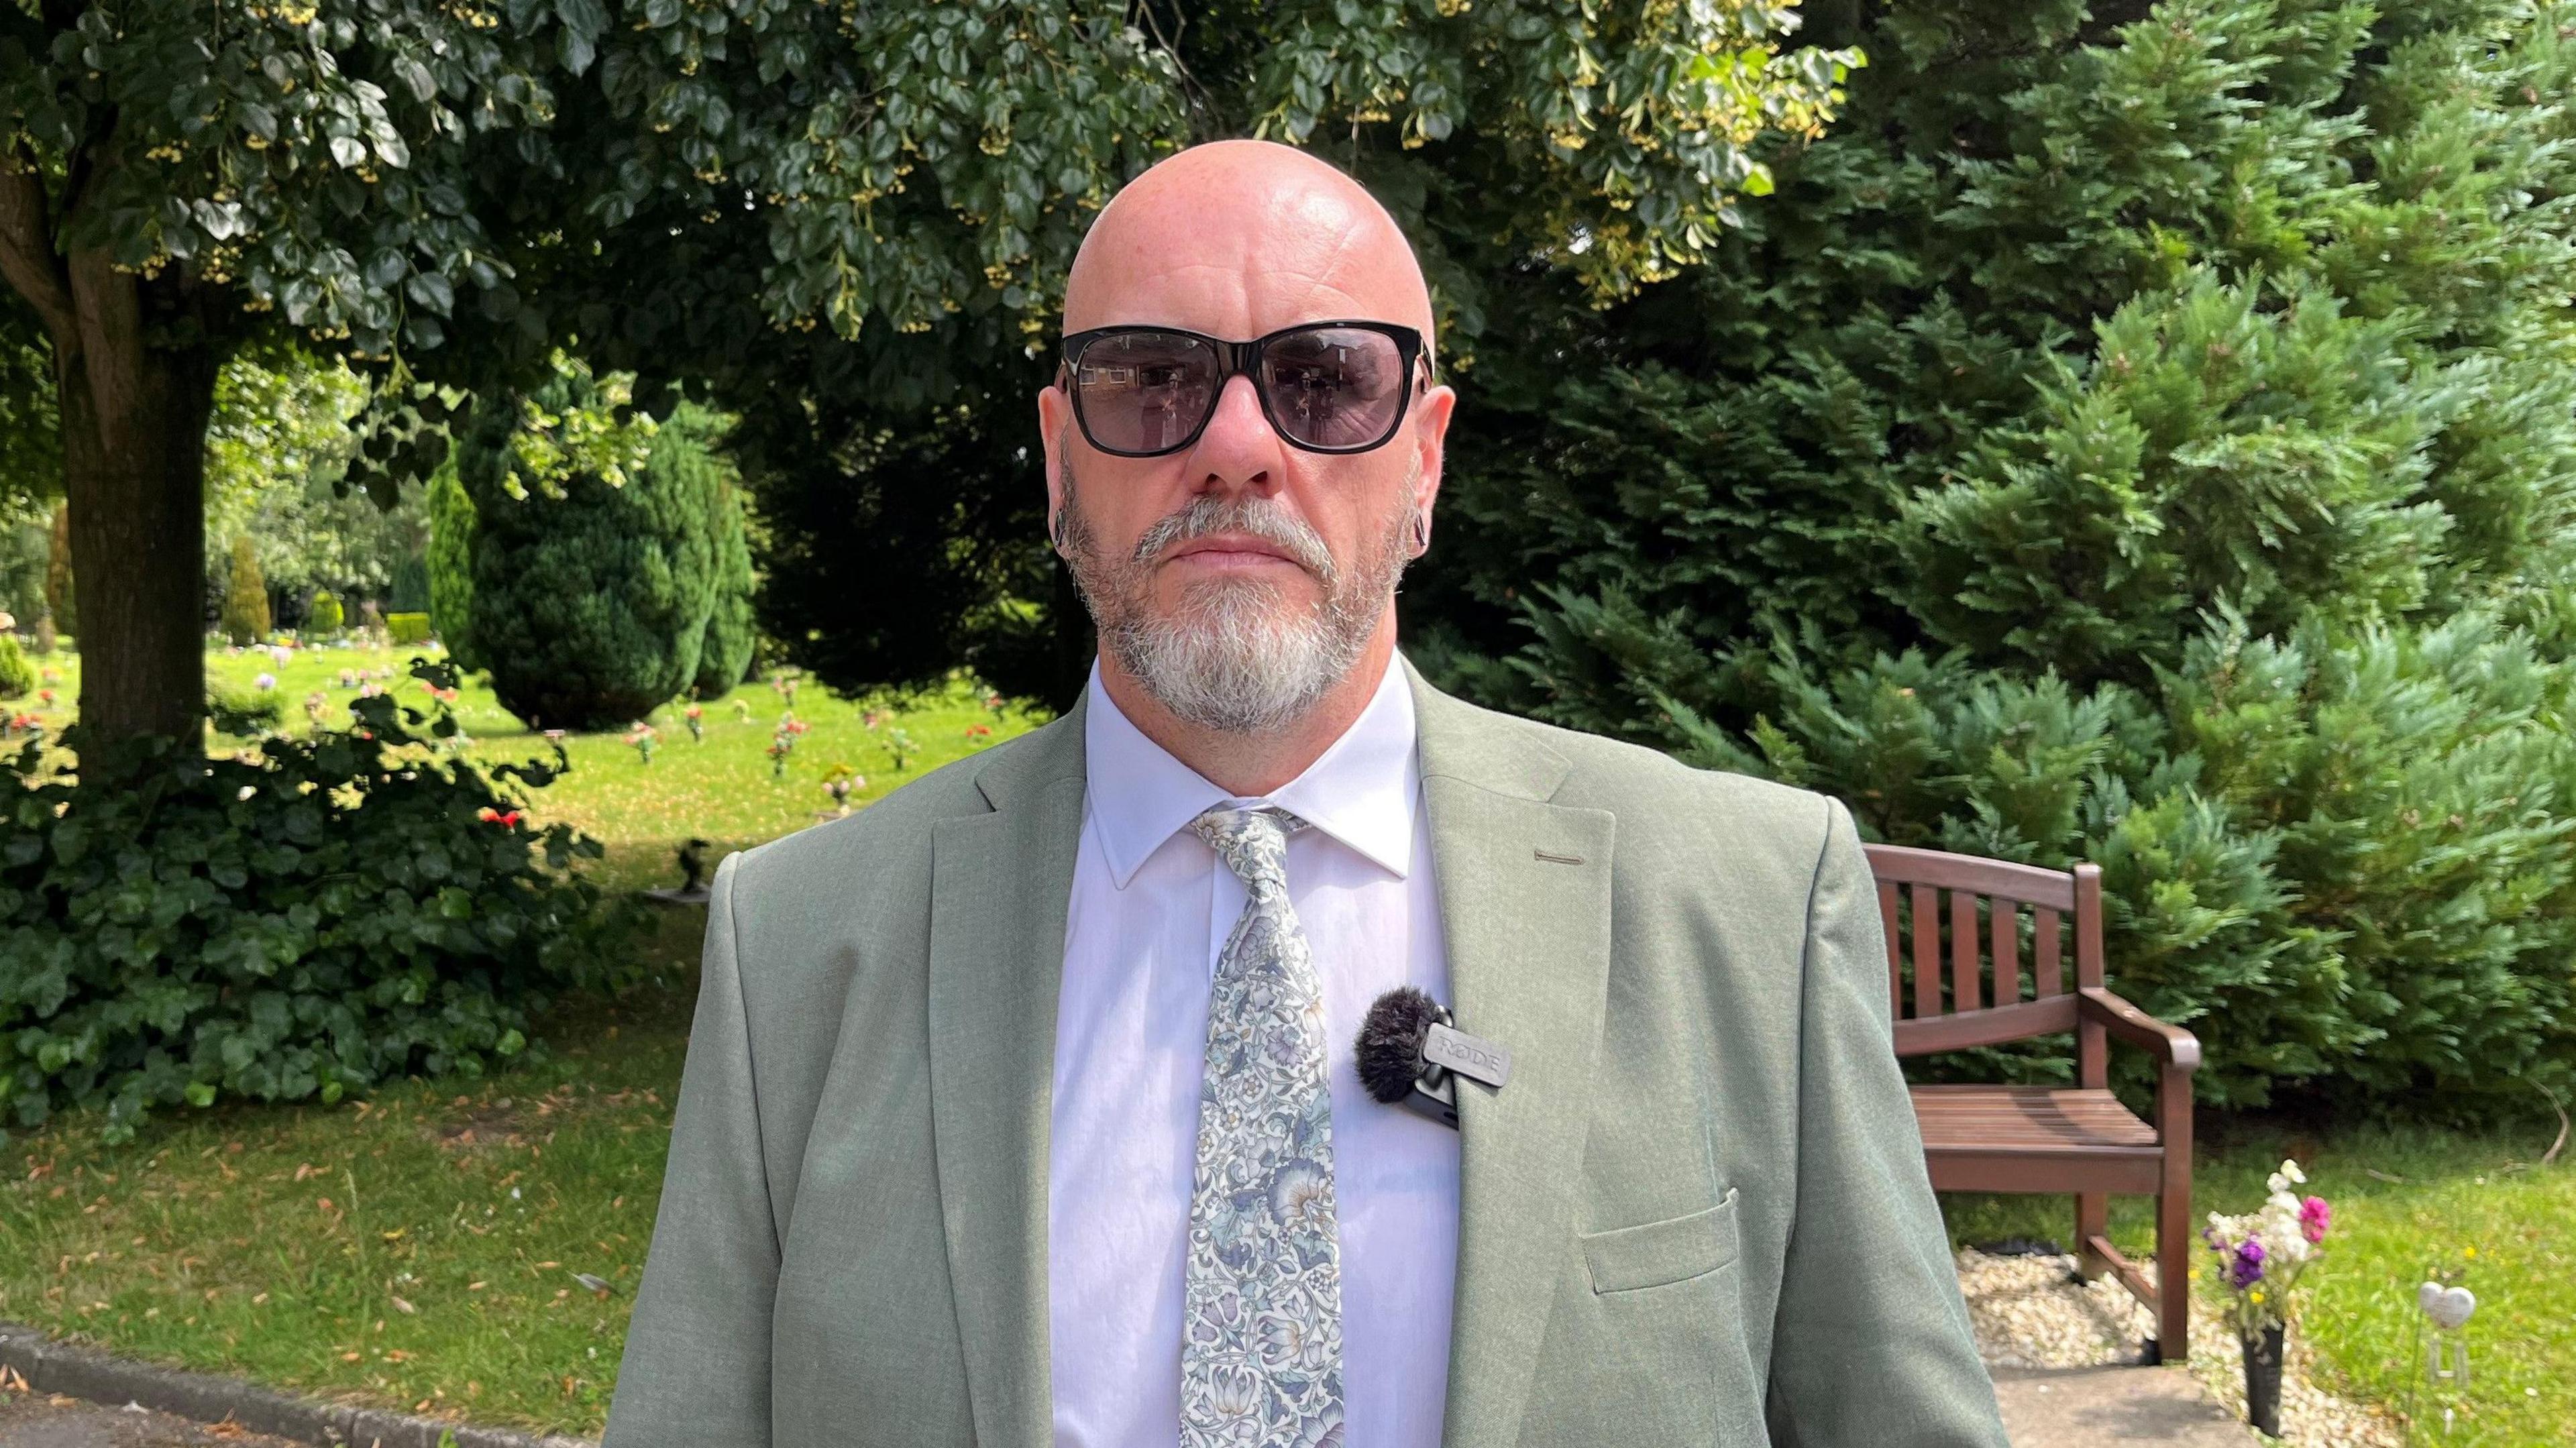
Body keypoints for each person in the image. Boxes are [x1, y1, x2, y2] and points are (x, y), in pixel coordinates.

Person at [602, 139, 2009, 1448]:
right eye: (1150, 379)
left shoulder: (1746, 907)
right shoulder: (798, 940)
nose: (1234, 442)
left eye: (1325, 379)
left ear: (1426, 456)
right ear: (1057, 457)